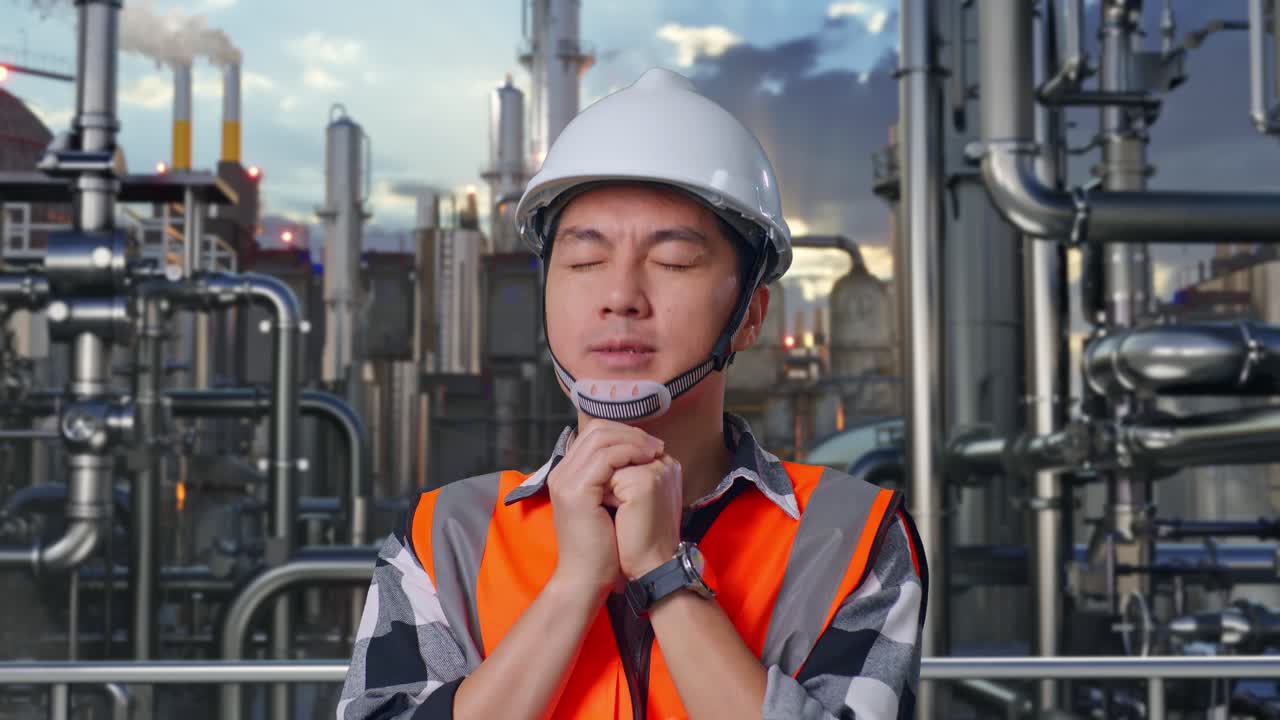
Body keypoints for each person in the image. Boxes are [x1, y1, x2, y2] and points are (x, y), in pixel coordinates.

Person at [337, 67, 928, 720]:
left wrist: (665, 575)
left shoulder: (851, 537)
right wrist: (572, 587)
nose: (620, 297)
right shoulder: (444, 536)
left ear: (753, 314)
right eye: (585, 262)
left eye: (673, 262)